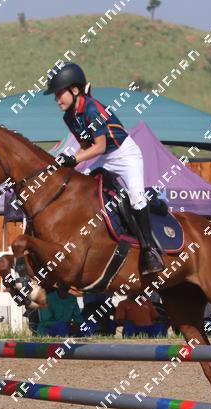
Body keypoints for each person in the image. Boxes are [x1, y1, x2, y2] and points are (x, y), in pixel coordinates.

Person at [44, 63, 164, 275]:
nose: (56, 99)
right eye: (55, 95)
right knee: (80, 185)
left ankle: (149, 250)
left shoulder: (93, 109)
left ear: (74, 90)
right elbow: (86, 147)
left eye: (59, 93)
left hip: (125, 155)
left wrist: (73, 158)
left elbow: (99, 146)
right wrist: (69, 167)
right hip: (104, 158)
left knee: (136, 197)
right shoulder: (69, 117)